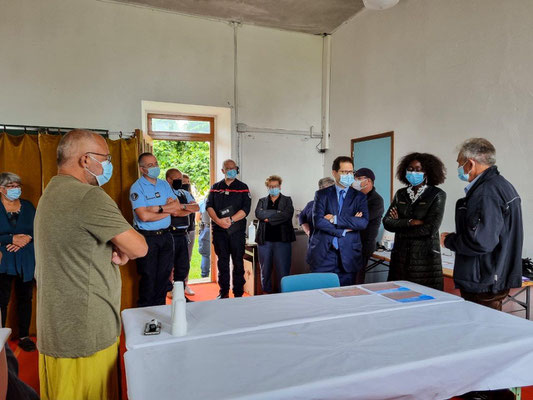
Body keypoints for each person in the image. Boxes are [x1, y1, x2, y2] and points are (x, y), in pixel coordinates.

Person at [34, 130, 148, 400]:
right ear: (86, 160)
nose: (108, 164)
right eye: (105, 158)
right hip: (85, 329)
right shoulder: (89, 197)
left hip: (56, 326)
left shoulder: (51, 191)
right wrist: (125, 252)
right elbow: (139, 247)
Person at [441, 138, 523, 310]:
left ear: (470, 163)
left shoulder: (485, 193)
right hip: (496, 274)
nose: (459, 169)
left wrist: (449, 241)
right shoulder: (503, 185)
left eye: (460, 163)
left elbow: (481, 241)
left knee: (481, 332)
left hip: (483, 279)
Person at [383, 153, 446, 291]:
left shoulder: (437, 194)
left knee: (422, 299)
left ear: (427, 172)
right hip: (400, 258)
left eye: (418, 169)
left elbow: (430, 229)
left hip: (425, 260)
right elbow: (387, 222)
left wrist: (399, 224)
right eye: (410, 169)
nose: (413, 172)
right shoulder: (401, 194)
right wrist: (410, 222)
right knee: (397, 296)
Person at [306, 156, 369, 286]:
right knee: (319, 294)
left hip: (348, 254)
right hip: (323, 253)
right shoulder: (322, 194)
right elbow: (318, 221)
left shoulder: (359, 197)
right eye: (344, 172)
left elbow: (362, 222)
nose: (348, 175)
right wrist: (344, 230)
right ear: (334, 173)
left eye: (351, 172)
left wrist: (334, 219)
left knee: (345, 297)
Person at [130, 153, 182, 307]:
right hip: (147, 238)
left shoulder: (164, 185)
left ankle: (160, 310)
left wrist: (158, 208)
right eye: (150, 165)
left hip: (166, 236)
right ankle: (145, 314)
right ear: (142, 169)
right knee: (148, 277)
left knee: (164, 277)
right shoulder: (137, 187)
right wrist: (167, 210)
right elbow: (143, 216)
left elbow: (177, 207)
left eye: (156, 163)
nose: (155, 167)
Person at [0, 172, 36, 352]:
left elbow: (40, 229)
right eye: (11, 186)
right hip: (3, 260)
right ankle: (1, 338)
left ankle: (24, 336)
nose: (16, 189)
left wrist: (28, 238)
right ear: (1, 189)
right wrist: (10, 239)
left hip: (27, 259)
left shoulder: (28, 207)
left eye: (17, 186)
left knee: (25, 298)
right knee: (1, 299)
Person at [206, 159, 251, 299]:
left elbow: (246, 209)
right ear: (223, 171)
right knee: (222, 262)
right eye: (228, 168)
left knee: (238, 262)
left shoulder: (243, 187)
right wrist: (219, 221)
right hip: (220, 232)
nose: (231, 170)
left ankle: (238, 292)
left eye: (234, 167)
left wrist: (230, 220)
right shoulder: (215, 187)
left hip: (236, 231)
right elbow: (209, 207)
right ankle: (223, 292)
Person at [255, 175, 296, 293]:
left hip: (282, 241)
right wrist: (277, 213)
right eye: (271, 187)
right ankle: (266, 292)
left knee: (283, 271)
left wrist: (268, 218)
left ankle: (283, 294)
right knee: (265, 270)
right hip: (264, 241)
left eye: (276, 186)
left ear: (280, 186)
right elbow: (259, 214)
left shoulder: (287, 200)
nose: (273, 188)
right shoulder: (262, 201)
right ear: (267, 187)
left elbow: (287, 215)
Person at [165, 168, 199, 299]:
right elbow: (173, 212)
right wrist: (184, 209)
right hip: (169, 234)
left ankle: (180, 295)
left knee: (182, 266)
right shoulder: (164, 193)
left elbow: (195, 207)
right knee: (168, 265)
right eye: (178, 179)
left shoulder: (184, 193)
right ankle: (168, 291)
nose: (181, 182)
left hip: (183, 234)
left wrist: (181, 207)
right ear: (169, 180)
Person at [352, 168, 385, 284]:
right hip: (349, 244)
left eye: (359, 179)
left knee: (357, 281)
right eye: (355, 179)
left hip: (363, 245)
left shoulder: (376, 200)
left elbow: (360, 221)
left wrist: (352, 218)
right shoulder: (355, 196)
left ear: (369, 181)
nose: (356, 182)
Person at [182, 173, 197, 296]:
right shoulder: (175, 195)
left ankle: (185, 284)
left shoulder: (190, 195)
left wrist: (185, 208)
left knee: (188, 258)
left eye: (188, 182)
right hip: (178, 231)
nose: (186, 184)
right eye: (183, 182)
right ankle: (172, 287)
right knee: (175, 260)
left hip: (191, 230)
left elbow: (195, 208)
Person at [197, 197, 211, 278]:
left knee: (205, 255)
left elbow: (197, 218)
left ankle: (205, 275)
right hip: (219, 228)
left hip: (206, 229)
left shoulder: (202, 202)